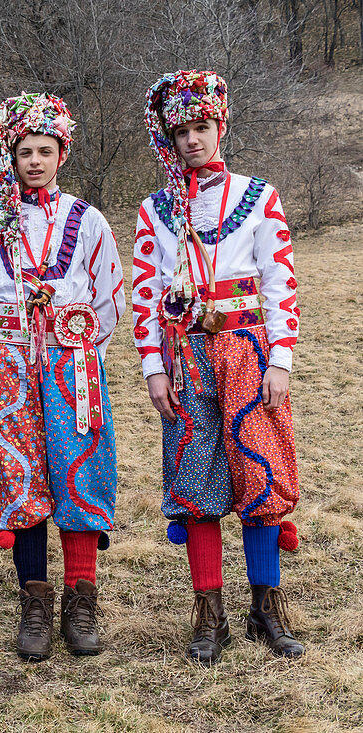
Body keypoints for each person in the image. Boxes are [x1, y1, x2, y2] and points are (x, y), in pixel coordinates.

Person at [133, 70, 304, 665]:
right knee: (195, 479)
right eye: (180, 131)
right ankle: (209, 612)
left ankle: (267, 606)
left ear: (220, 126)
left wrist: (279, 358)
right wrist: (154, 366)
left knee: (259, 475)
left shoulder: (259, 196)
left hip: (247, 351)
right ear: (169, 139)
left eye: (201, 127)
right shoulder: (155, 209)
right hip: (186, 360)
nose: (192, 140)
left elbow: (280, 280)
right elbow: (146, 292)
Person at [0, 94, 126, 661]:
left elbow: (108, 297)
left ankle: (82, 596)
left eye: (45, 150)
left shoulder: (91, 220)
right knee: (20, 472)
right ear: (10, 156)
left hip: (72, 361)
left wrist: (75, 347)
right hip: (9, 362)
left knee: (79, 469)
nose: (34, 160)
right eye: (24, 151)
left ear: (62, 154)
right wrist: (7, 350)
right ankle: (34, 597)